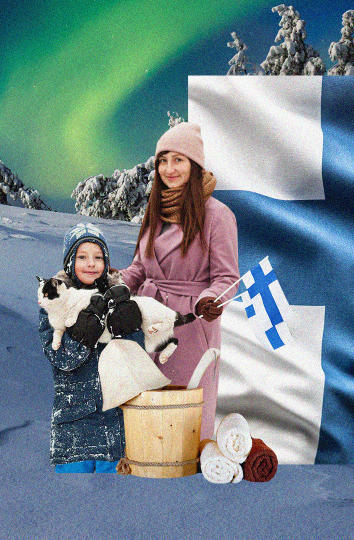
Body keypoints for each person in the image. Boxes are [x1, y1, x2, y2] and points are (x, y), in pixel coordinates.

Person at [121, 122, 239, 440]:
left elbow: (227, 277)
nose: (169, 169)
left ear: (195, 164)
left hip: (191, 325)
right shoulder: (155, 212)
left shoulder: (218, 215)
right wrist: (115, 284)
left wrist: (211, 300)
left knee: (186, 418)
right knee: (151, 416)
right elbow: (139, 269)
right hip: (150, 325)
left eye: (178, 160)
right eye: (163, 160)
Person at [39, 223, 145, 472]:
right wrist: (82, 336)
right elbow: (61, 358)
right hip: (73, 431)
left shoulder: (118, 299)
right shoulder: (54, 301)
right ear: (69, 262)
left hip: (116, 431)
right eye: (82, 257)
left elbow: (136, 362)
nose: (91, 263)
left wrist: (129, 330)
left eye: (98, 257)